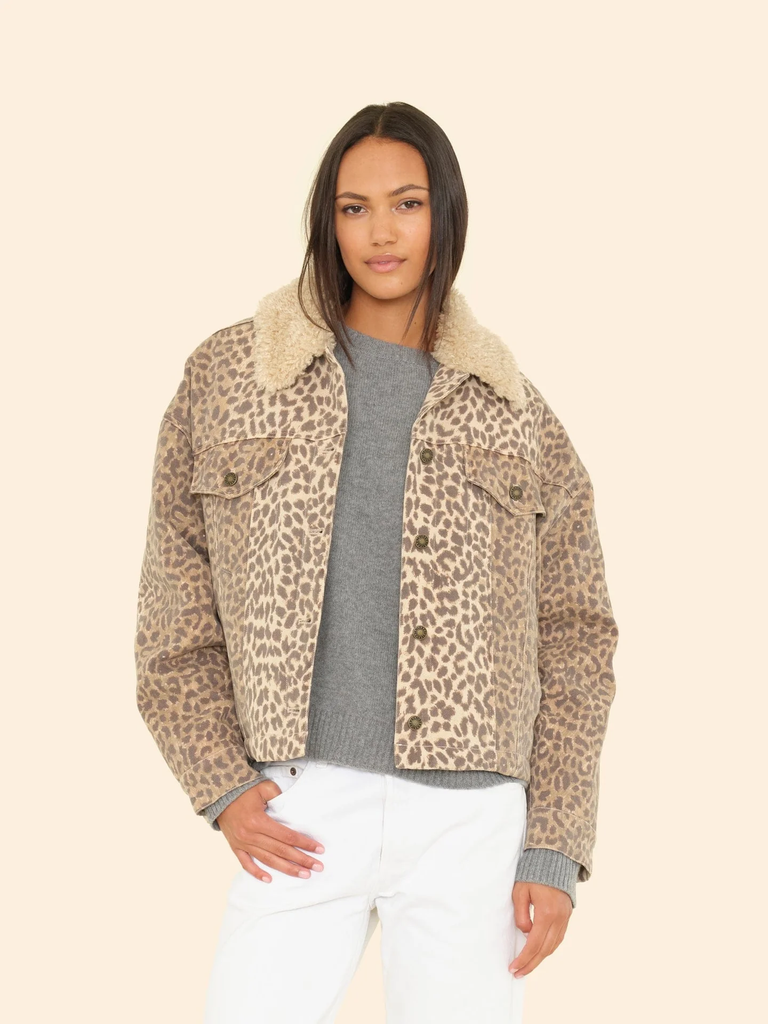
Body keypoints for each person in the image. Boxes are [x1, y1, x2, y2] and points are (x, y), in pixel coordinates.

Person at [134, 101, 619, 1024]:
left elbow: (577, 638)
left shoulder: (516, 411)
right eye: (354, 208)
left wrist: (554, 843)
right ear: (327, 220)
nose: (381, 233)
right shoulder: (231, 376)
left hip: (472, 821)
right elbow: (174, 603)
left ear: (447, 214)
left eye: (408, 203)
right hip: (300, 805)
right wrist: (222, 786)